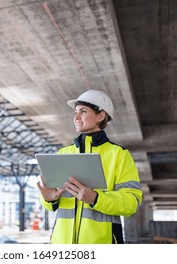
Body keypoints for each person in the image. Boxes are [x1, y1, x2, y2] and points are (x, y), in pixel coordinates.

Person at [37, 89, 142, 244]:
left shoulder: (118, 155)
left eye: (83, 111)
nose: (76, 117)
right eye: (75, 112)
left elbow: (131, 202)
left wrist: (96, 199)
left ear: (101, 116)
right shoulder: (63, 153)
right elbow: (53, 204)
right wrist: (48, 199)